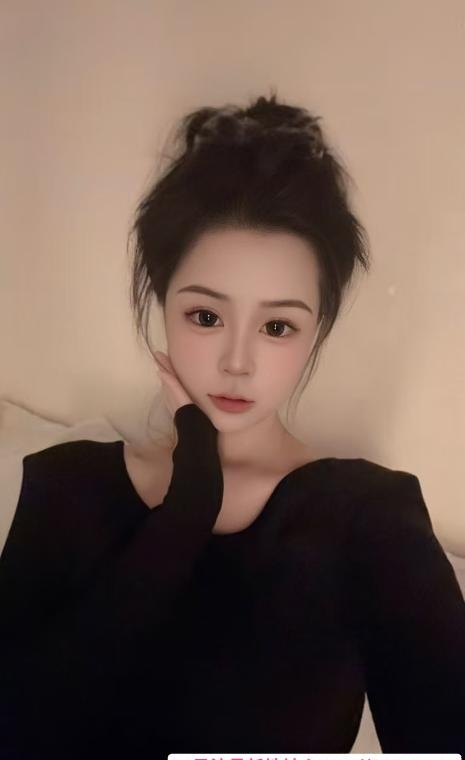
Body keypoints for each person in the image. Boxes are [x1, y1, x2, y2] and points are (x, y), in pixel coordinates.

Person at [0, 90, 464, 759]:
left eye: (277, 326)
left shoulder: (369, 517)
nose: (237, 361)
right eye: (206, 316)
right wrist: (187, 507)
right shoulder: (66, 485)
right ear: (162, 303)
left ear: (315, 332)